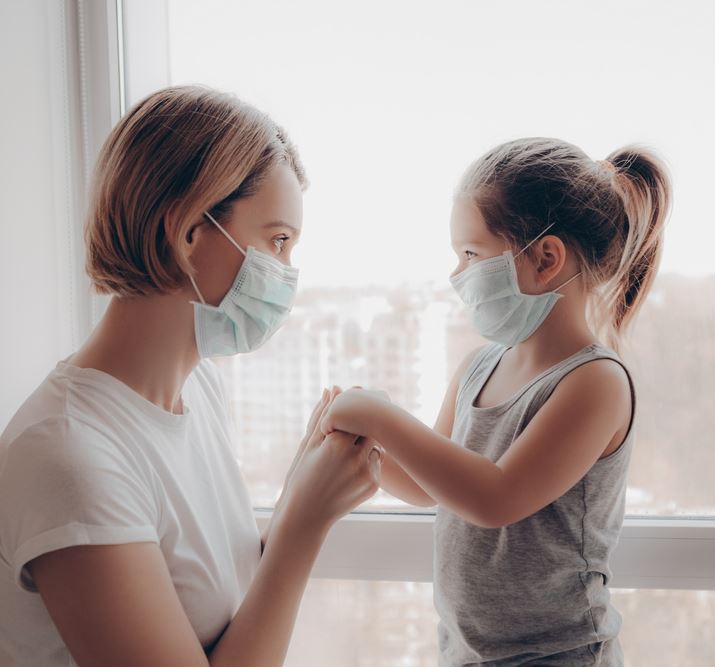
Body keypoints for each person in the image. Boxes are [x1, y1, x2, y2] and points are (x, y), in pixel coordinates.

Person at [0, 85, 381, 667]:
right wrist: (303, 525)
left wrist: (299, 496)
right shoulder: (68, 455)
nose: (286, 271)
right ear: (186, 232)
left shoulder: (197, 392)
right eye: (277, 240)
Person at [320, 137, 671, 665]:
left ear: (546, 258)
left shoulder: (595, 382)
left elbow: (495, 498)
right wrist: (363, 442)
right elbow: (427, 484)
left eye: (471, 254)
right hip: (467, 654)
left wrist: (381, 415)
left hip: (561, 656)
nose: (457, 275)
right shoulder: (478, 367)